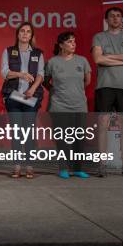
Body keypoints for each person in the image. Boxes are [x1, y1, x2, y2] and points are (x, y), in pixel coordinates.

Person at [91, 6, 123, 178]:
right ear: (107, 20)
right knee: (103, 125)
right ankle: (102, 165)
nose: (115, 18)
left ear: (122, 19)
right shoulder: (99, 36)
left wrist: (109, 57)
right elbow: (98, 59)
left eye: (118, 16)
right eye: (112, 16)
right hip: (105, 86)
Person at [44, 31, 91, 179]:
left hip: (79, 106)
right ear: (61, 45)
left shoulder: (82, 61)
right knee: (62, 139)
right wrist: (56, 90)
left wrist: (75, 90)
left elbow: (87, 81)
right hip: (59, 106)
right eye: (70, 42)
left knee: (79, 138)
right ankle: (63, 168)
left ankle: (77, 168)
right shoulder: (52, 62)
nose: (73, 44)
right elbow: (45, 81)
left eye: (74, 41)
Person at [0, 22, 44, 179]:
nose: (25, 34)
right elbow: (4, 73)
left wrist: (32, 89)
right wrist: (21, 74)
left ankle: (30, 166)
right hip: (14, 97)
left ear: (31, 36)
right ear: (17, 34)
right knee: (17, 133)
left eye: (28, 32)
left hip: (31, 97)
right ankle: (17, 166)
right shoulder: (8, 51)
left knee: (29, 133)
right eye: (22, 31)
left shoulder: (38, 53)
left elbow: (40, 74)